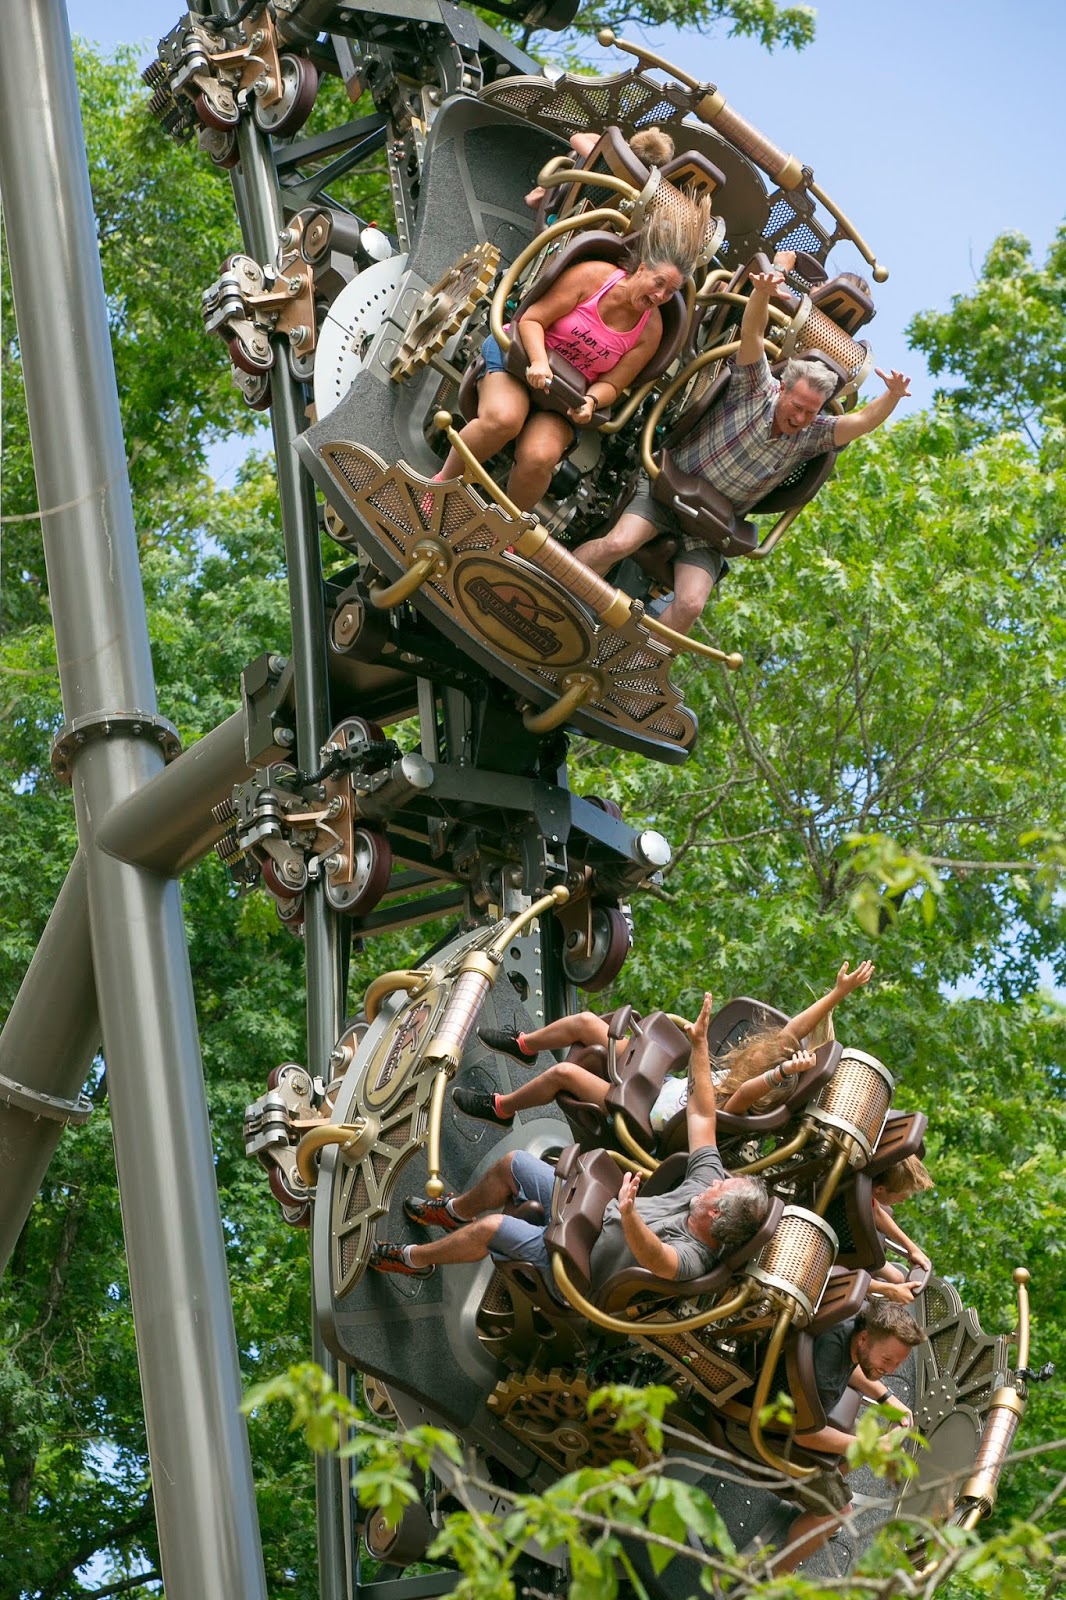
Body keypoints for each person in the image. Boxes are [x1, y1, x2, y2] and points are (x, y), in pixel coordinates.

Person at [571, 266, 912, 634]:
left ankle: (625, 660)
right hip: (665, 493)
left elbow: (860, 424)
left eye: (809, 412)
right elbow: (751, 334)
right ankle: (557, 587)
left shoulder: (813, 434)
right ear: (783, 389)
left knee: (690, 604)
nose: (799, 417)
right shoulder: (756, 388)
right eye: (796, 406)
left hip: (709, 527)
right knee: (617, 543)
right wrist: (763, 293)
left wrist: (891, 397)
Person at [368, 993, 771, 1289]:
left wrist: (630, 1218)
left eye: (720, 1188)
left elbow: (656, 1259)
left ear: (716, 1216)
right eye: (720, 1180)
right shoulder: (705, 1184)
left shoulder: (695, 1257)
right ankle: (454, 1211)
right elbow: (702, 1114)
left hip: (577, 1258)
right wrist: (699, 1045)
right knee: (513, 1165)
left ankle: (414, 1259)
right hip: (595, 1208)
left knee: (490, 1228)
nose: (716, 1180)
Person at [429, 195, 710, 513]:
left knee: (541, 457)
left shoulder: (651, 330)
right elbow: (533, 319)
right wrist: (537, 361)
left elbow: (613, 385)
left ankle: (505, 531)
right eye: (658, 283)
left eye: (670, 292)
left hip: (563, 399)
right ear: (642, 268)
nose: (660, 296)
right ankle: (441, 483)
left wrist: (591, 401)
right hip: (519, 363)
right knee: (504, 419)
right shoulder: (593, 277)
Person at [457, 959, 874, 1132]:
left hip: (646, 1114)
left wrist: (784, 1072)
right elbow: (790, 1033)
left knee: (565, 1072)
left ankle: (501, 1108)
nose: (765, 1050)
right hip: (654, 1082)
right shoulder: (733, 1073)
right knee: (587, 1022)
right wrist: (839, 993)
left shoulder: (734, 1107)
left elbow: (751, 1088)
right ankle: (526, 1044)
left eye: (772, 1063)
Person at [771, 1299, 927, 1572]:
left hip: (801, 1411)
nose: (890, 1370)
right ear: (865, 1338)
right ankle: (775, 1573)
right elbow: (805, 1436)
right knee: (839, 1514)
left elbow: (855, 1364)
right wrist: (871, 1447)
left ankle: (815, 1496)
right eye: (887, 1360)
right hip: (770, 1431)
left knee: (860, 1435)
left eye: (897, 1363)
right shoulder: (825, 1373)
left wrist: (887, 1397)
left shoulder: (848, 1327)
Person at [525, 126, 676, 212]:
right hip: (586, 214)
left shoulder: (606, 155)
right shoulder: (643, 185)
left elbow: (576, 138)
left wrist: (618, 144)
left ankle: (538, 197)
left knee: (574, 157)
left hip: (565, 199)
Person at [871, 1155, 934, 1282]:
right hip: (849, 1245)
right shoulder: (860, 1202)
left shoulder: (865, 1185)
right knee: (897, 1278)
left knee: (887, 1211)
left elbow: (877, 1212)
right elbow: (876, 1213)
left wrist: (912, 1249)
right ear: (880, 1189)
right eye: (900, 1198)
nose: (901, 1202)